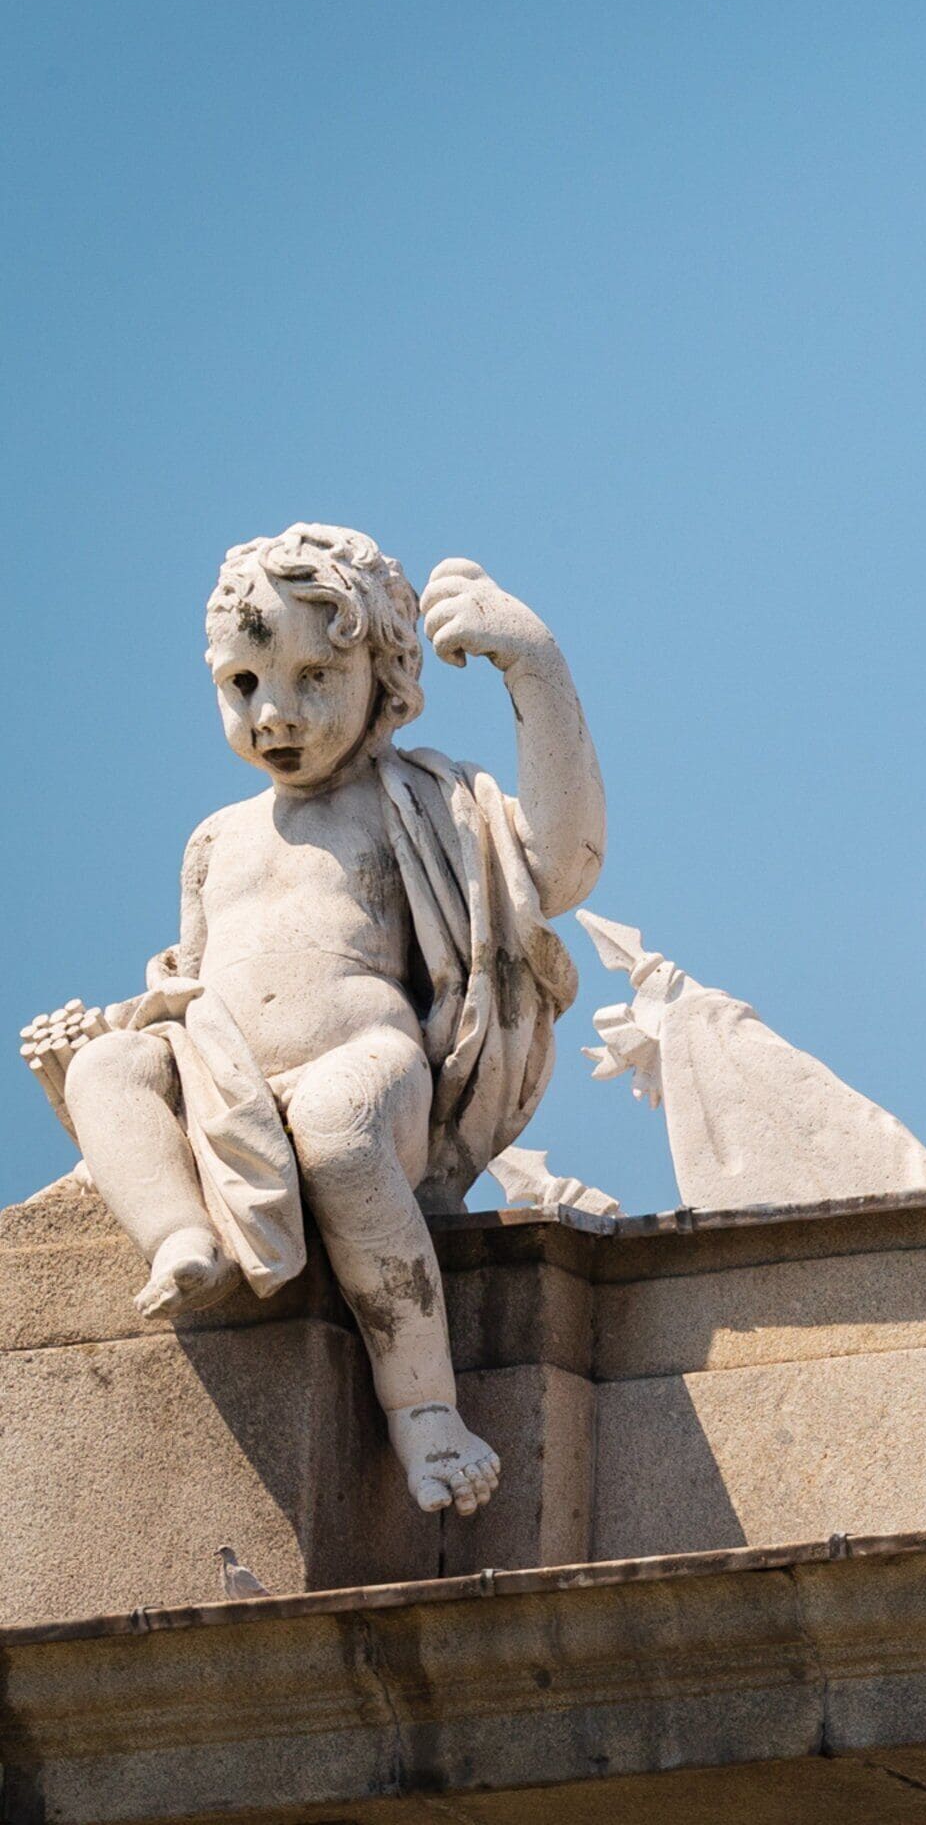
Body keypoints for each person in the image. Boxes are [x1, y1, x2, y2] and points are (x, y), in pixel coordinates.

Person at [22, 527, 601, 1514]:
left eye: (312, 677)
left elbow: (558, 865)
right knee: (115, 1066)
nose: (275, 714)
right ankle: (178, 1237)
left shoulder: (418, 801)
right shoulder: (216, 839)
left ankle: (424, 1411)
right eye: (243, 684)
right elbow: (190, 986)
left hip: (372, 1067)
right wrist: (101, 1045)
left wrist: (534, 668)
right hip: (225, 1070)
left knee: (336, 1133)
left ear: (384, 673)